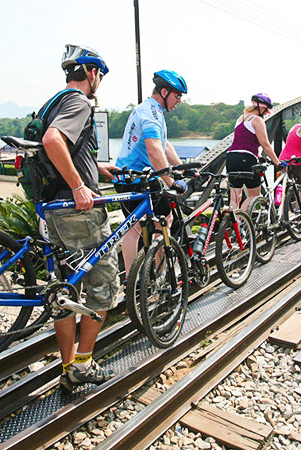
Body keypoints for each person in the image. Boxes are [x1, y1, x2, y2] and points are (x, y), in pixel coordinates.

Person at [40, 44, 119, 392]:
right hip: (78, 213)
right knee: (103, 286)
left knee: (64, 290)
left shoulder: (53, 102)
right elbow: (53, 140)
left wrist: (97, 169)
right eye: (98, 74)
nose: (98, 80)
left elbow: (65, 148)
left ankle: (68, 365)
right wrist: (78, 186)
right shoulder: (79, 102)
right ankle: (84, 366)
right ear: (91, 73)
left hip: (54, 211)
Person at [115, 70, 188, 275]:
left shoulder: (147, 109)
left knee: (134, 228)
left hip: (125, 176)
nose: (179, 101)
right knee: (165, 219)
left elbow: (164, 146)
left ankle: (133, 282)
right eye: (177, 95)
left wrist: (182, 167)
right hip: (142, 178)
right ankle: (160, 273)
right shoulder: (152, 113)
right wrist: (171, 182)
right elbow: (154, 149)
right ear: (164, 92)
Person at [226, 93, 282, 212]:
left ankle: (234, 225)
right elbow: (265, 144)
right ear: (262, 108)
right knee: (253, 195)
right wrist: (277, 163)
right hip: (246, 159)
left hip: (231, 157)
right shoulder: (257, 120)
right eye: (266, 110)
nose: (266, 114)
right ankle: (243, 223)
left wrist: (258, 155)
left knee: (235, 198)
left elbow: (243, 141)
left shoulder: (240, 118)